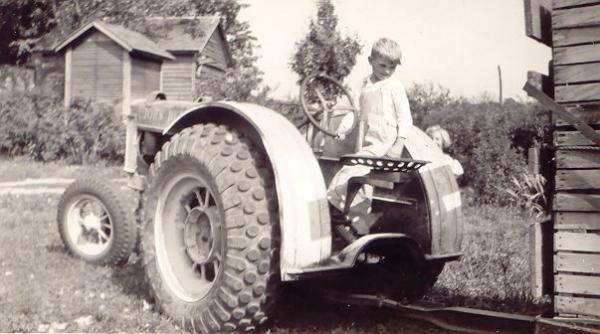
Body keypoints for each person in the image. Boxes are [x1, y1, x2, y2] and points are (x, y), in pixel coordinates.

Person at [327, 38, 412, 235]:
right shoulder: (363, 86)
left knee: (349, 170)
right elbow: (353, 112)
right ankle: (358, 229)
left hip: (384, 142)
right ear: (370, 60)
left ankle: (334, 208)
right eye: (383, 65)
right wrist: (343, 129)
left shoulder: (394, 87)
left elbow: (405, 118)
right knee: (362, 183)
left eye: (392, 67)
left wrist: (399, 142)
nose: (387, 71)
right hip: (365, 140)